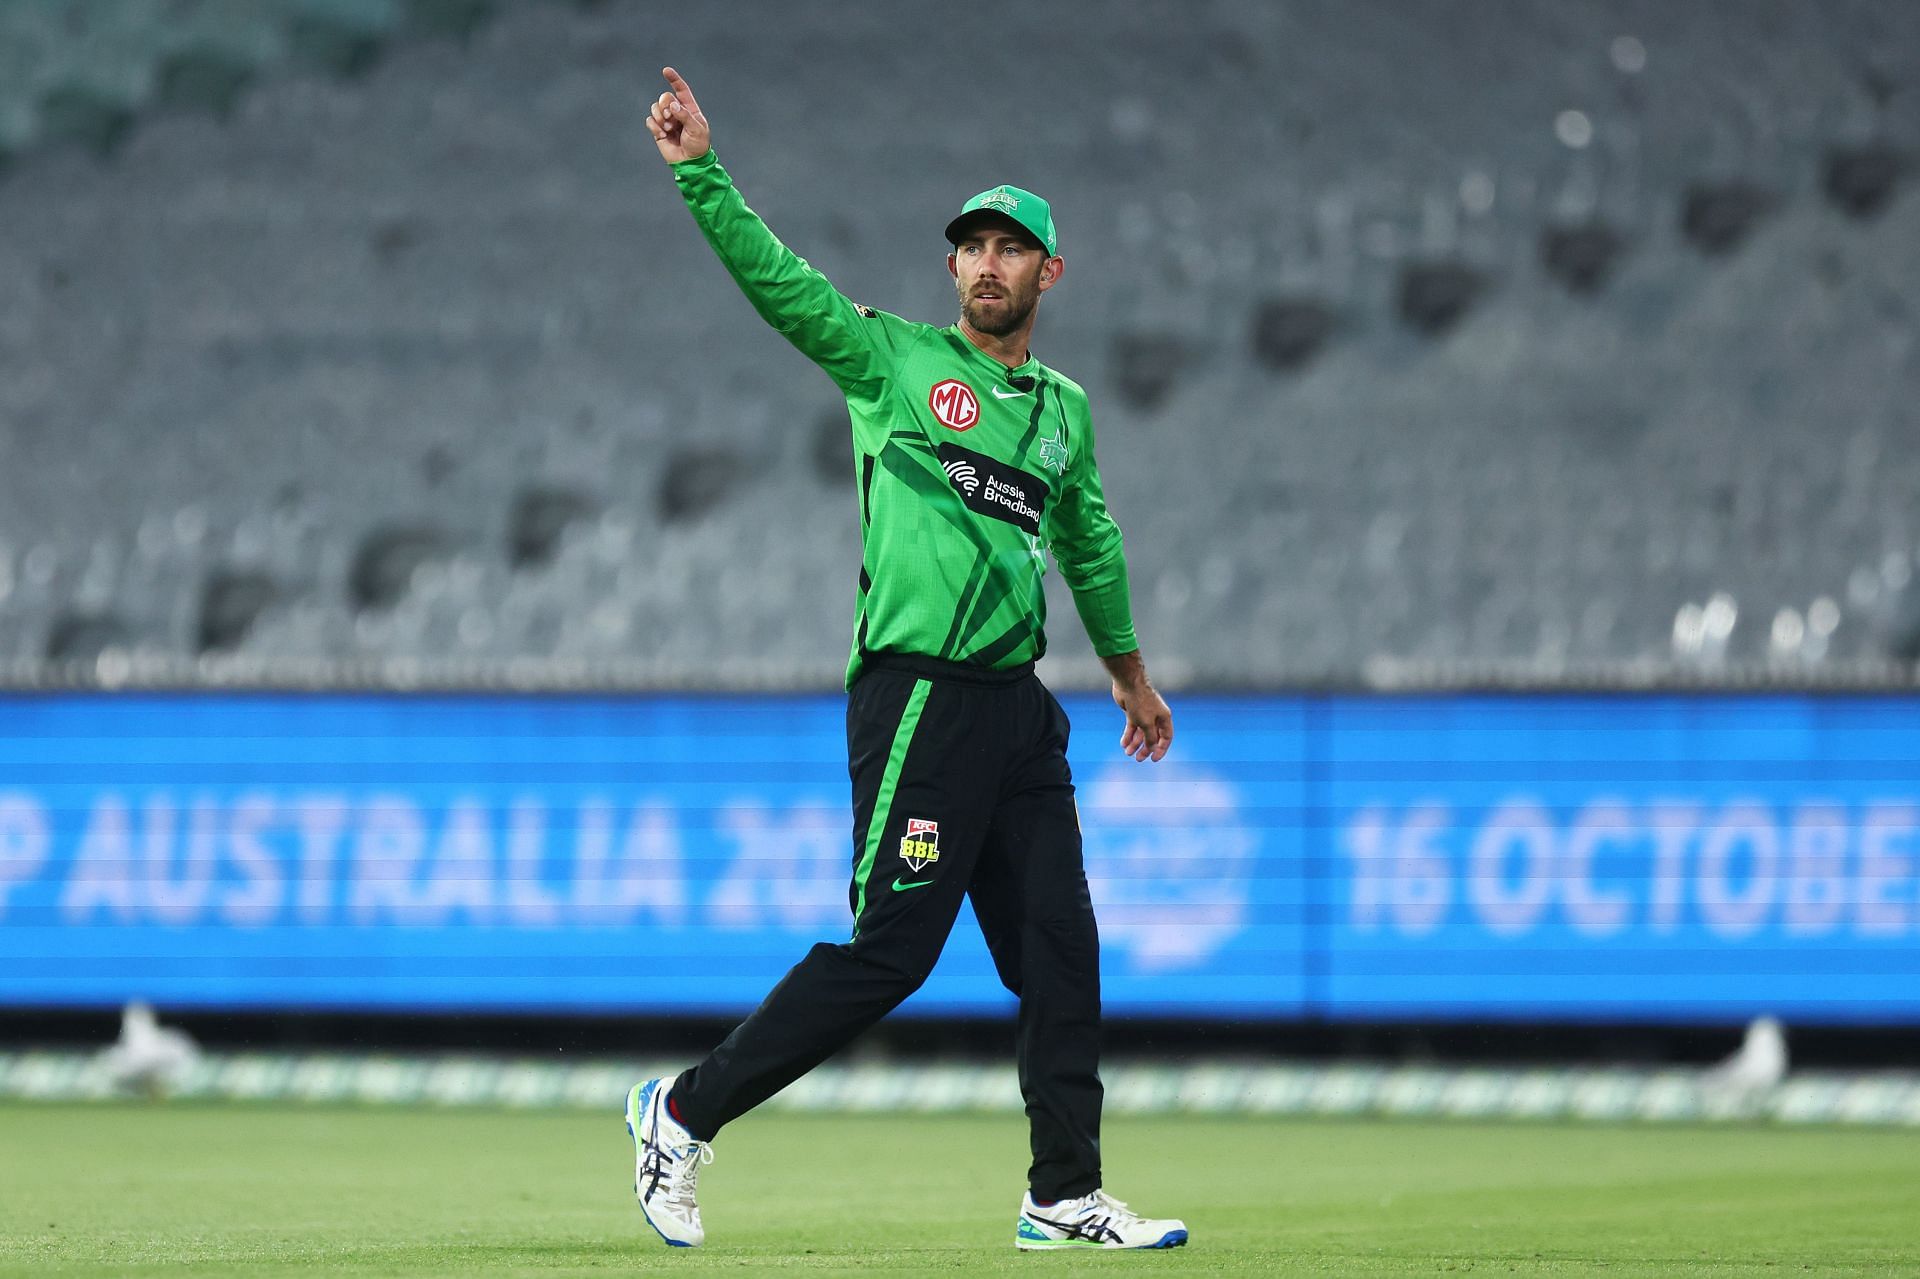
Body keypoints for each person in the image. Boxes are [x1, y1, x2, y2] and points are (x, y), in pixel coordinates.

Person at [627, 66, 1186, 1253]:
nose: (989, 264)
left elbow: (1089, 541)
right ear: (953, 272)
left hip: (1018, 713)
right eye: (972, 248)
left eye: (1011, 248)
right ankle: (679, 1111)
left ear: (1049, 272)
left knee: (1061, 953)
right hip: (919, 696)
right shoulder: (892, 366)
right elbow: (783, 290)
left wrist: (1130, 676)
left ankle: (1062, 1192)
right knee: (892, 951)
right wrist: (700, 174)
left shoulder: (1063, 414)